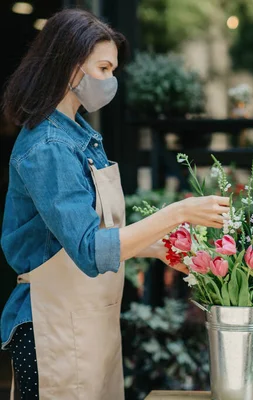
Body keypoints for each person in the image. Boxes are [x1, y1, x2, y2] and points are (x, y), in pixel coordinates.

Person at [0, 8, 229, 400]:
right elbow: (90, 250)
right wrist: (179, 212)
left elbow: (95, 236)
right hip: (52, 327)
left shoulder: (79, 136)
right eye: (103, 69)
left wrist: (158, 249)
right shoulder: (49, 147)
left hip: (89, 323)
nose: (110, 81)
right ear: (70, 67)